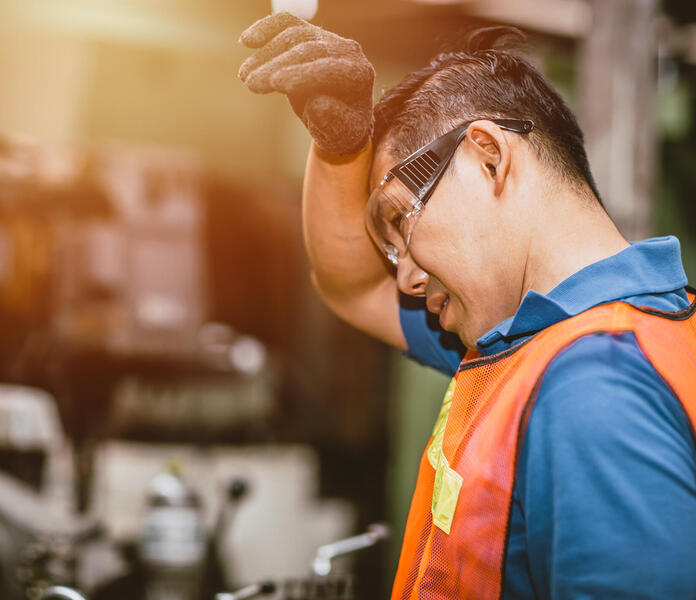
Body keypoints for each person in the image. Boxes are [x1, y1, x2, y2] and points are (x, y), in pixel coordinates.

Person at [238, 12, 696, 600]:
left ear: (487, 157)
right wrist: (340, 149)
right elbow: (352, 287)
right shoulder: (539, 341)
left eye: (402, 220)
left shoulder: (593, 385)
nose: (402, 279)